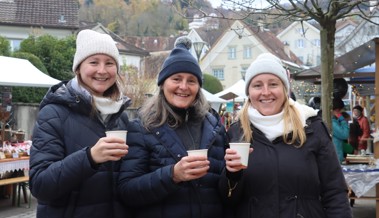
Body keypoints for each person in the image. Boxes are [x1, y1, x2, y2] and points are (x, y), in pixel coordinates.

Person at [219, 53, 352, 218]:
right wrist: (232, 175)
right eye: (257, 85)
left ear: (285, 88)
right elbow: (227, 200)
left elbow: (335, 192)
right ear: (249, 91)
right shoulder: (235, 133)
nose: (266, 92)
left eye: (273, 84)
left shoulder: (312, 128)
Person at [118, 36, 227, 218]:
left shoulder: (215, 128)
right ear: (163, 84)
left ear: (198, 87)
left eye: (191, 80)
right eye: (176, 79)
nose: (183, 87)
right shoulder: (142, 127)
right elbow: (127, 192)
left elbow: (224, 194)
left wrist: (234, 175)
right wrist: (172, 175)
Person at [29, 29, 132, 218]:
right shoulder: (54, 114)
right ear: (78, 68)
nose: (102, 70)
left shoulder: (121, 117)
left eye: (109, 63)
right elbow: (40, 185)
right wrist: (90, 157)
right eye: (94, 62)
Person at [332, 97, 350, 162]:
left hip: (335, 156)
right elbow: (345, 134)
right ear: (337, 110)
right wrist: (342, 120)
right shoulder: (332, 123)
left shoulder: (333, 121)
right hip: (335, 158)